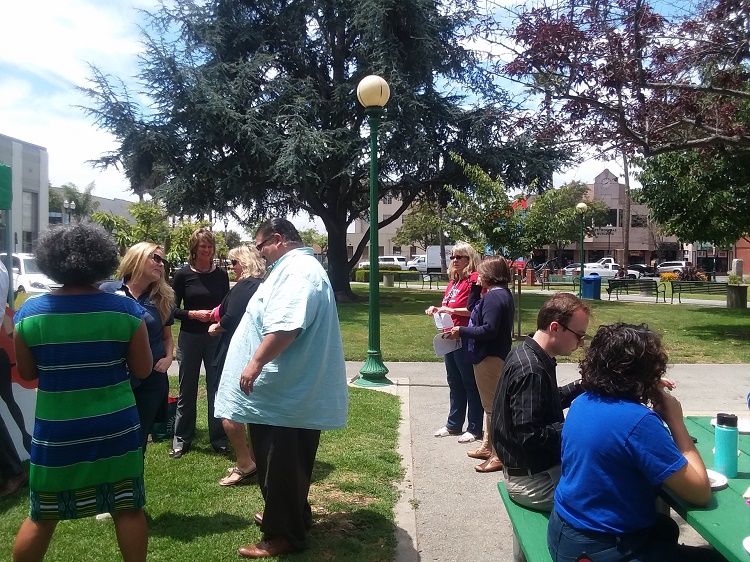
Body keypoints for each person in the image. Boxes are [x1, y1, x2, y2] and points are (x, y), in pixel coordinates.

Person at [11, 223, 152, 562]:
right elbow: (144, 369)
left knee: (42, 513)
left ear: (51, 261)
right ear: (102, 259)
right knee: (127, 507)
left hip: (57, 430)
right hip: (115, 426)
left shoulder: (29, 314)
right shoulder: (125, 311)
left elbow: (28, 374)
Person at [215, 218, 348, 558]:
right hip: (285, 393)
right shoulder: (297, 268)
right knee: (286, 463)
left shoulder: (298, 272)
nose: (259, 253)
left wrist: (255, 362)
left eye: (260, 246)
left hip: (285, 393)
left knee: (281, 465)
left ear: (277, 239)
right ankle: (291, 517)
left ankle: (282, 534)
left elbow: (287, 326)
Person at [548, 323, 724, 562]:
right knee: (716, 559)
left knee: (666, 528)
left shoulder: (583, 401)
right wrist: (675, 421)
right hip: (595, 550)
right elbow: (700, 492)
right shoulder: (638, 421)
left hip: (563, 532)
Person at [492, 292, 590, 512]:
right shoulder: (531, 369)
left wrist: (581, 385)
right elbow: (530, 436)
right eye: (579, 335)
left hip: (534, 472)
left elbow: (542, 402)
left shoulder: (525, 352)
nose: (581, 343)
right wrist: (579, 425)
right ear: (555, 328)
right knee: (617, 496)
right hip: (533, 482)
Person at [100, 242, 175, 454]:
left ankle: (134, 474)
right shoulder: (108, 291)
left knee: (138, 440)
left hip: (152, 379)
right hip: (115, 377)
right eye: (156, 258)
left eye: (163, 261)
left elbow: (167, 337)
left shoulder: (163, 297)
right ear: (138, 258)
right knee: (111, 436)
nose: (161, 264)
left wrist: (169, 358)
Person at [446, 255, 514, 472]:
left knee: (493, 408)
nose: (478, 276)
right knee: (489, 406)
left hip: (490, 357)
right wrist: (475, 288)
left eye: (481, 273)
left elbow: (489, 330)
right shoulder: (497, 294)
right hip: (490, 355)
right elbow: (473, 307)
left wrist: (462, 330)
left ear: (490, 274)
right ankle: (487, 446)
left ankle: (498, 455)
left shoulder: (495, 297)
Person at [170, 227, 230, 459]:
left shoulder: (221, 274)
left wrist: (217, 317)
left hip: (215, 337)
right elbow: (171, 309)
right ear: (194, 249)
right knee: (187, 389)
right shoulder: (183, 275)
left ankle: (220, 440)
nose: (206, 250)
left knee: (216, 388)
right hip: (189, 337)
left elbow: (227, 305)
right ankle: (181, 439)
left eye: (209, 246)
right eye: (202, 246)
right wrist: (192, 314)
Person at [209, 245, 265, 486]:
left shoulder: (245, 286)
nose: (232, 268)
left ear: (245, 262)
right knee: (253, 408)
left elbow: (231, 318)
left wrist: (216, 327)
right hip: (256, 352)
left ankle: (244, 463)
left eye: (234, 263)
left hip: (236, 352)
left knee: (228, 408)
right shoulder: (264, 286)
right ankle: (254, 458)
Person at [426, 242, 484, 443]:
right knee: (454, 382)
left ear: (469, 259)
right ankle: (454, 424)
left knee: (470, 383)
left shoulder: (474, 280)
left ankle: (475, 428)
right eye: (452, 257)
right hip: (449, 337)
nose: (454, 260)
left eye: (459, 257)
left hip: (465, 337)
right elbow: (448, 306)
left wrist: (450, 310)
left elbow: (475, 309)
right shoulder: (454, 283)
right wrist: (437, 309)